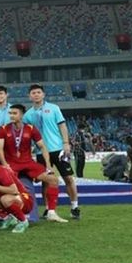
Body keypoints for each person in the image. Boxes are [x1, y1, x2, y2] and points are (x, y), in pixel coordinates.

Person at [0, 104, 67, 223]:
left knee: (53, 179)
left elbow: (43, 147)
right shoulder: (3, 129)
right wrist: (4, 165)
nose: (11, 116)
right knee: (8, 187)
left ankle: (51, 212)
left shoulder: (31, 128)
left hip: (28, 163)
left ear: (22, 115)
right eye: (10, 113)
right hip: (11, 164)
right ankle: (10, 214)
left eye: (14, 113)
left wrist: (48, 165)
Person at [23, 84, 80, 219]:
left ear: (43, 94)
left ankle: (74, 206)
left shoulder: (53, 108)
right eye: (33, 93)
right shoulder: (28, 115)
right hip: (41, 151)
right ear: (29, 96)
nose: (36, 95)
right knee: (46, 181)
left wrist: (66, 143)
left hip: (58, 149)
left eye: (38, 92)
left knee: (68, 178)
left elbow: (62, 125)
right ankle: (49, 209)